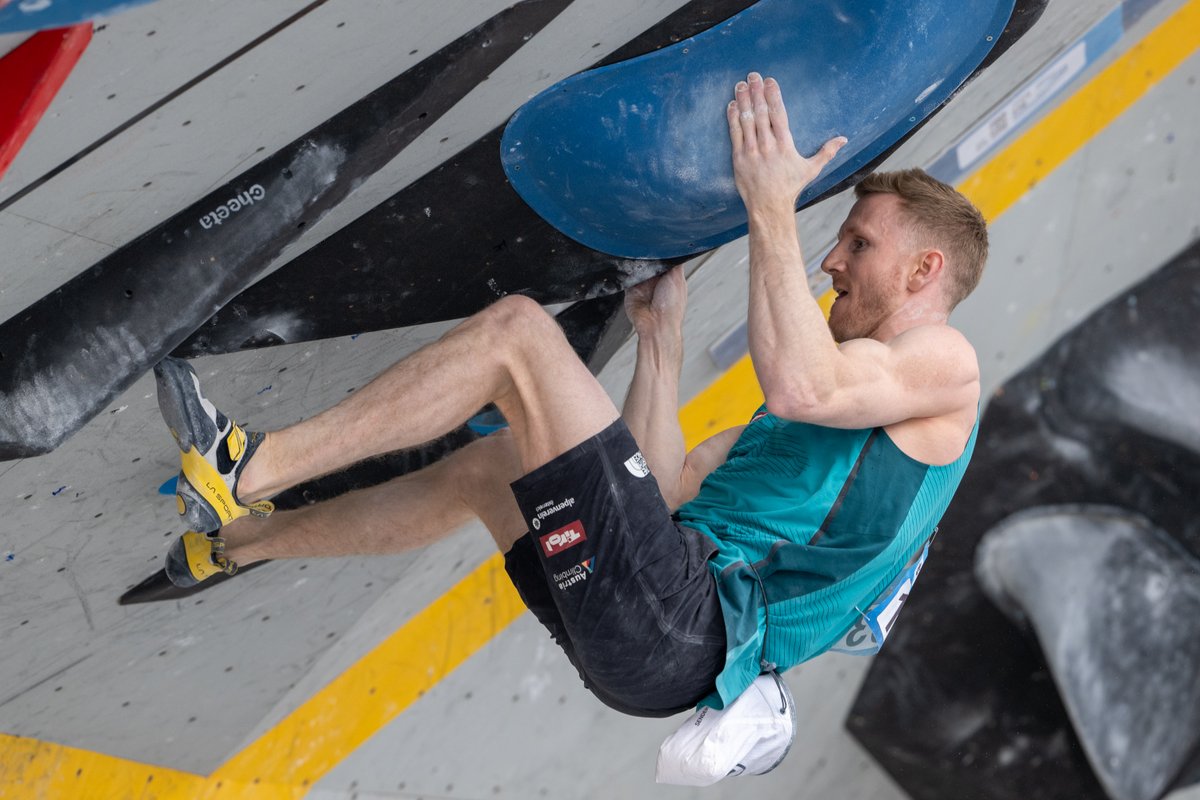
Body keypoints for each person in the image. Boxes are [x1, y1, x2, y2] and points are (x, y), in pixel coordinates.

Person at [154, 72, 985, 718]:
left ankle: (249, 466)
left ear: (925, 271)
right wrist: (658, 347)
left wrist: (771, 202)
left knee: (517, 337)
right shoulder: (794, 441)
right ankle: (232, 546)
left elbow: (805, 379)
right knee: (492, 471)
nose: (831, 262)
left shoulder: (947, 368)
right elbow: (653, 500)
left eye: (859, 243)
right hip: (652, 658)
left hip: (687, 629)